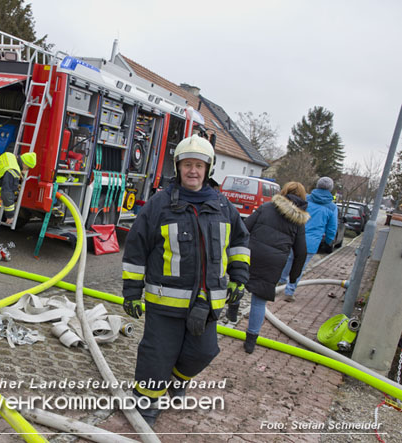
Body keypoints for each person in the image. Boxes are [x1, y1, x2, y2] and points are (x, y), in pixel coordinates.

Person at [121, 134, 250, 426]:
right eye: (187, 165)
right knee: (157, 354)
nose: (193, 171)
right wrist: (131, 292)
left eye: (199, 165)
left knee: (203, 352)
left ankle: (178, 379)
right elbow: (136, 248)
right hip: (165, 301)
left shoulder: (223, 206)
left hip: (207, 302)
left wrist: (238, 278)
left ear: (208, 169)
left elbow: (240, 241)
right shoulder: (159, 204)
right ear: (178, 167)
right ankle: (147, 402)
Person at [240, 182, 309, 353]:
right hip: (273, 262)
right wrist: (293, 278)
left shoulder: (266, 207)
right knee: (258, 302)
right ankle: (250, 341)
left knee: (237, 283)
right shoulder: (298, 221)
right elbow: (301, 252)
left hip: (251, 253)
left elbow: (244, 228)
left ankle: (233, 309)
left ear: (283, 192)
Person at [278, 176, 338, 301]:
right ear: (331, 189)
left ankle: (280, 282)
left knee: (288, 260)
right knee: (300, 266)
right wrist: (328, 241)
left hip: (295, 237)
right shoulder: (332, 207)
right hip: (311, 242)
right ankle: (289, 291)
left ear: (317, 185)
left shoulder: (306, 198)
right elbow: (332, 228)